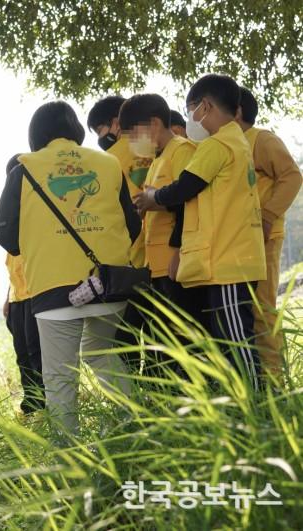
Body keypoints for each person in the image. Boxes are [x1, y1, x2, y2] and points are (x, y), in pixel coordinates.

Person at [0, 101, 141, 433]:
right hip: (109, 285)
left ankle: (68, 459)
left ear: (36, 134)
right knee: (101, 353)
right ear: (75, 130)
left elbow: (4, 231)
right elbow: (133, 225)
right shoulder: (108, 164)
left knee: (59, 377)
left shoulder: (24, 169)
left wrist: (38, 247)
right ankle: (130, 430)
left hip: (53, 289)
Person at [134, 74, 266, 391]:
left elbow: (185, 186)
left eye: (191, 110)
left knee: (237, 343)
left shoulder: (217, 144)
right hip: (230, 259)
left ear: (204, 107)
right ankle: (243, 405)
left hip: (228, 261)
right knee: (228, 341)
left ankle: (256, 406)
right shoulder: (237, 142)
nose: (191, 119)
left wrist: (153, 198)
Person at [115, 93, 208, 372]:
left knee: (178, 346)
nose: (132, 142)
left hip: (174, 264)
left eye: (134, 134)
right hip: (154, 267)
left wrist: (178, 250)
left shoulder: (182, 150)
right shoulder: (158, 159)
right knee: (159, 346)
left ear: (154, 123)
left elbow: (188, 203)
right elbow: (161, 200)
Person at [237, 86, 302, 380]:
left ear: (235, 111)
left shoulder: (261, 139)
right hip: (235, 241)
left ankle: (275, 381)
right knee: (243, 312)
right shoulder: (226, 144)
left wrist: (267, 216)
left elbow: (292, 176)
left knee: (262, 310)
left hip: (263, 237)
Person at [87, 95, 152, 271]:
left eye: (100, 129)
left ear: (116, 123)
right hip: (166, 247)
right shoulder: (156, 146)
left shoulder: (107, 161)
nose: (100, 137)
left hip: (132, 253)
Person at [3, 155, 46, 414]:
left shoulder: (39, 205)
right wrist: (7, 296)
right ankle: (32, 404)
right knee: (22, 355)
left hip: (38, 291)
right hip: (18, 296)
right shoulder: (12, 208)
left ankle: (47, 406)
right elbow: (12, 259)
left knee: (37, 354)